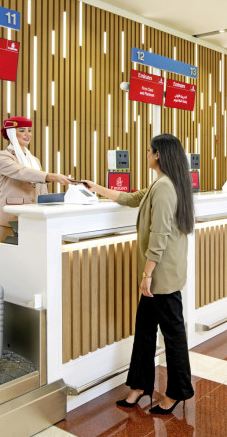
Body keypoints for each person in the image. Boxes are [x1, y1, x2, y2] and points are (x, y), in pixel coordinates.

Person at [82, 133, 194, 415]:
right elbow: (131, 198)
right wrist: (95, 187)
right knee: (145, 330)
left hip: (161, 276)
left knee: (172, 334)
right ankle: (140, 386)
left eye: (148, 150)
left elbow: (160, 235)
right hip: (160, 274)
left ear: (157, 154)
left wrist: (147, 274)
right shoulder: (163, 183)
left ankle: (177, 392)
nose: (145, 154)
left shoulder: (166, 187)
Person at [0, 116, 70, 243]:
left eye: (29, 130)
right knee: (4, 260)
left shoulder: (34, 160)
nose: (28, 134)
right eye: (22, 130)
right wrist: (52, 176)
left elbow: (41, 187)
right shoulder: (3, 157)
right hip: (8, 221)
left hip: (33, 220)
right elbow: (22, 172)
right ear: (11, 134)